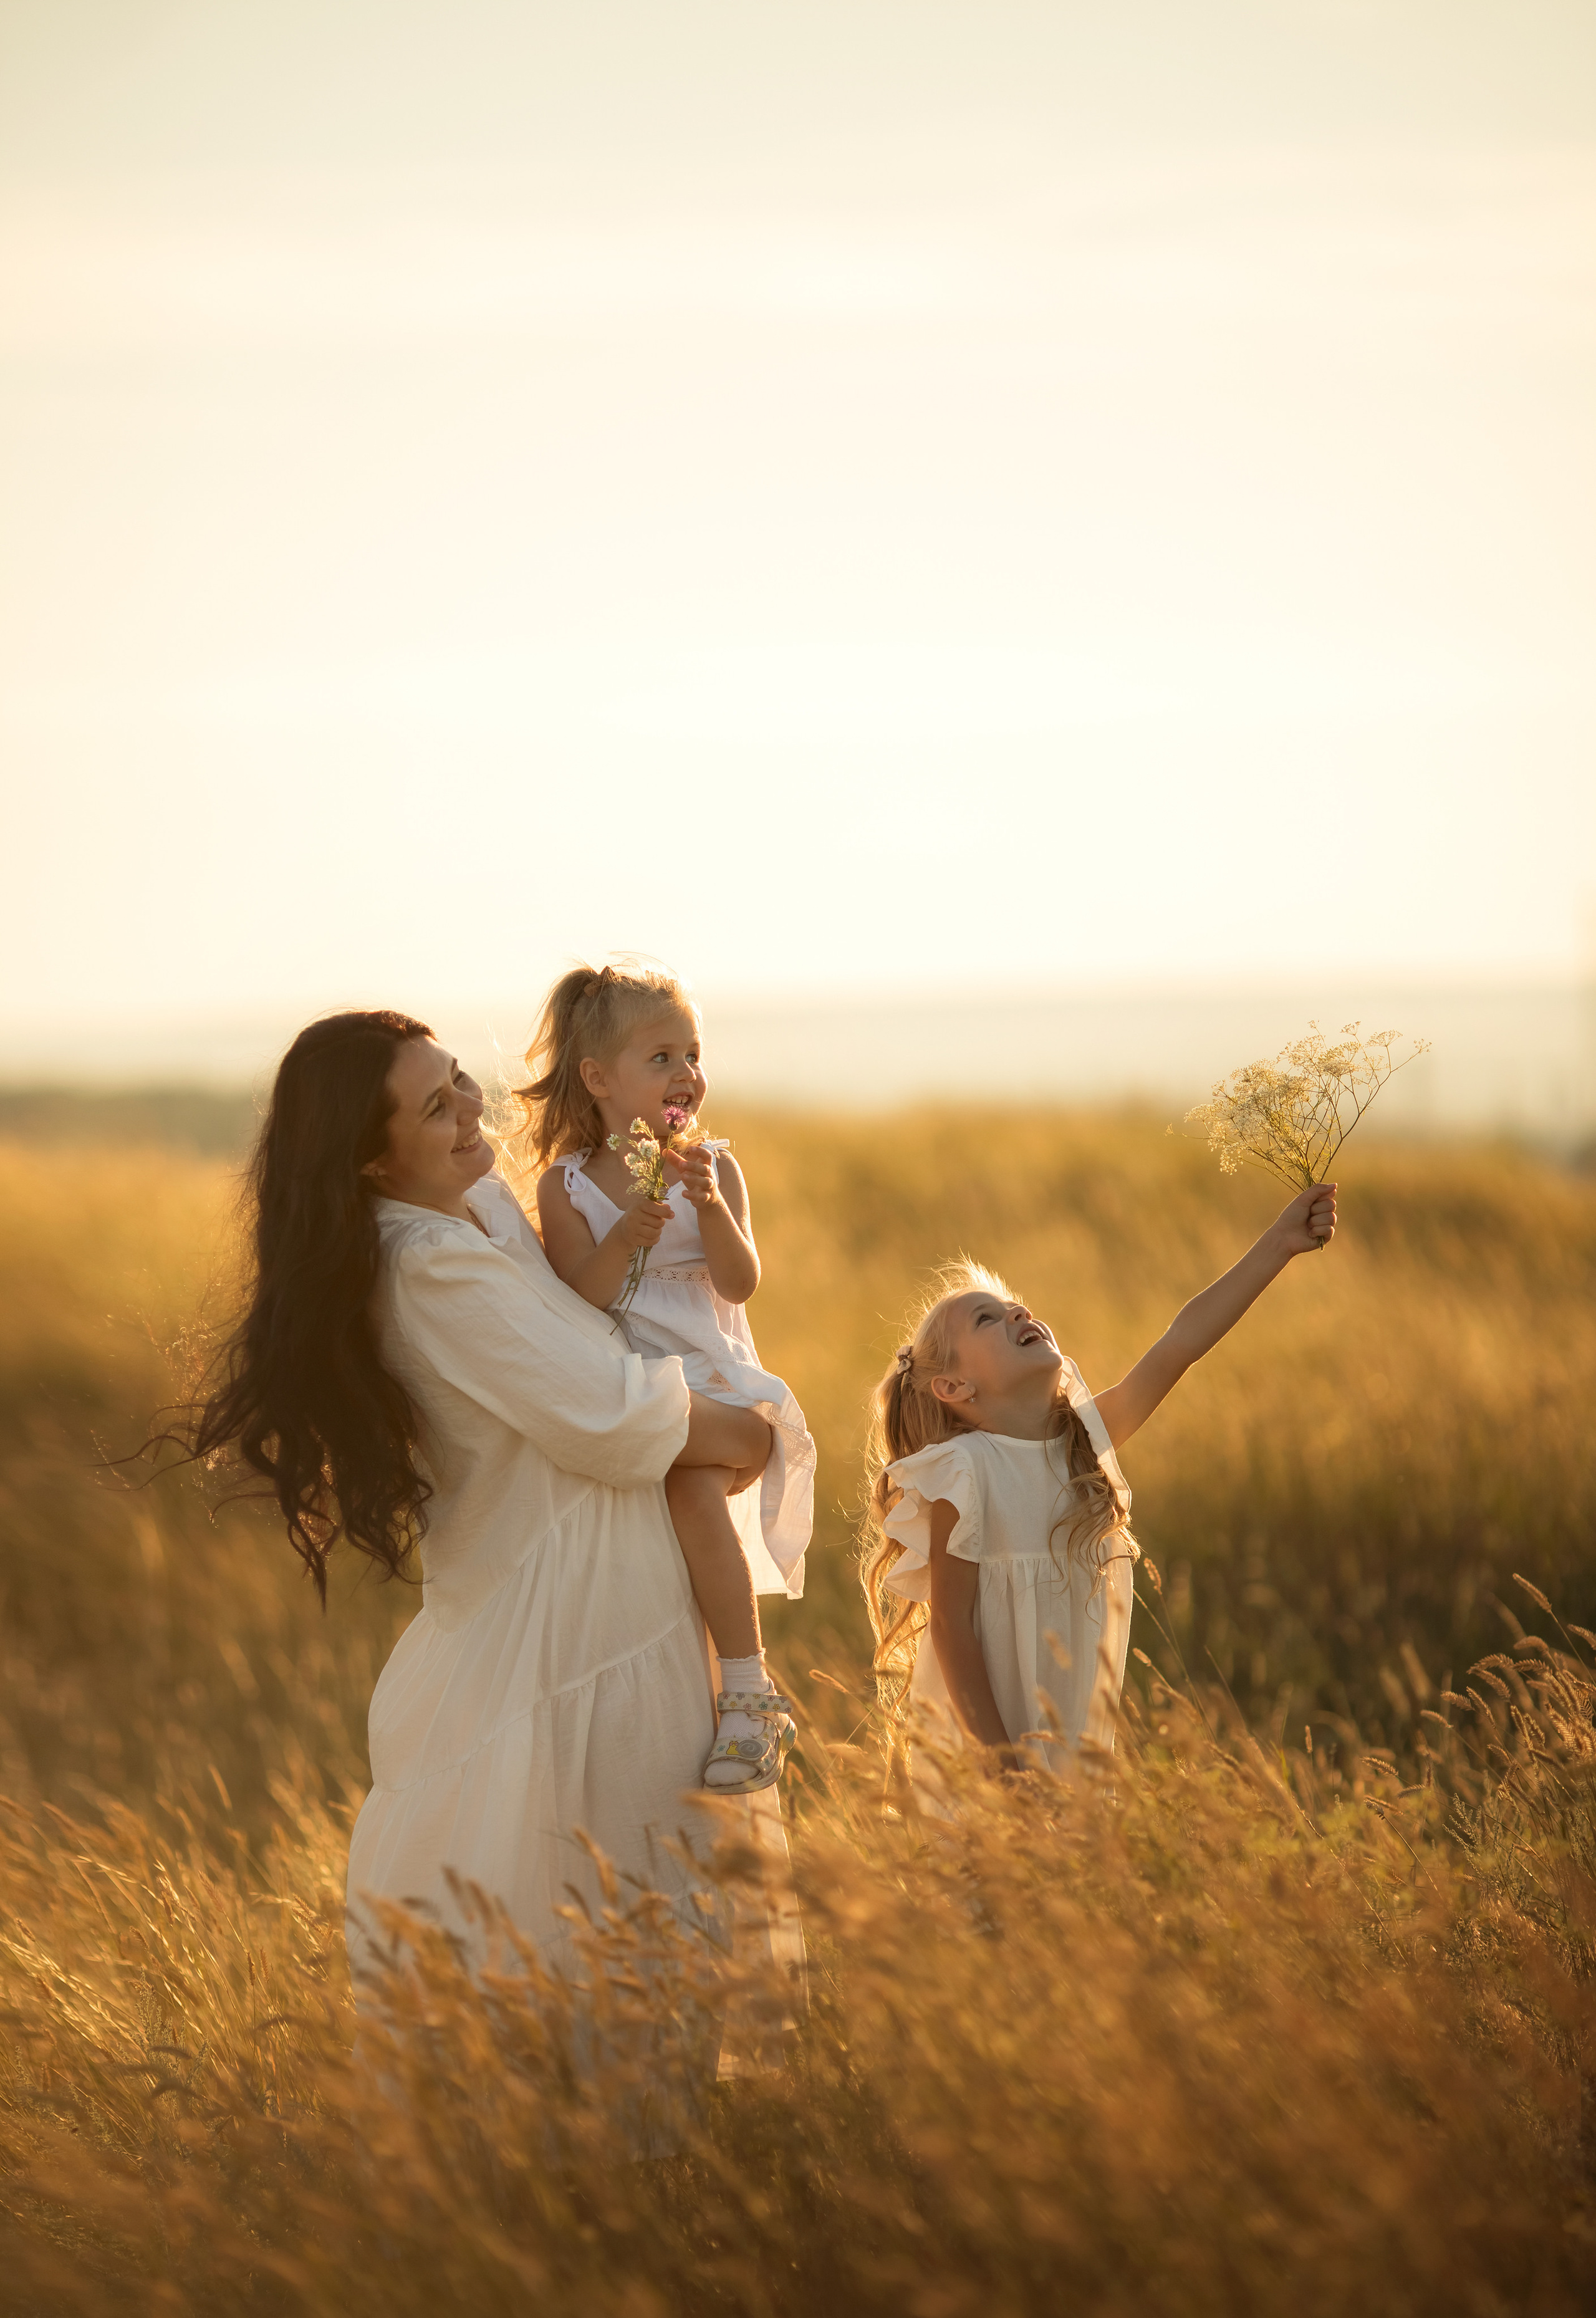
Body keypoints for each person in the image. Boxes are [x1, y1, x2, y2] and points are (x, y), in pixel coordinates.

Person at [183, 1008, 773, 1978]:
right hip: (557, 1627)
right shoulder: (425, 1261)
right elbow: (613, 1414)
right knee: (574, 1939)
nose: (469, 1105)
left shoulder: (483, 1202)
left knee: (648, 1938)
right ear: (372, 1162)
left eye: (458, 1077)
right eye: (433, 1105)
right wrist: (757, 1433)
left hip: (613, 1605)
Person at [860, 1184, 1338, 1777]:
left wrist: (1279, 1244)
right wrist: (1002, 1767)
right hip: (985, 1755)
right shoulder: (965, 1472)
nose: (1019, 1313)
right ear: (955, 1388)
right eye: (988, 1317)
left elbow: (1179, 1345)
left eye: (1018, 1306)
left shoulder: (1081, 1446)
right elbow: (953, 1625)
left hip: (1068, 1744)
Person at [516, 961, 815, 1794]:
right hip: (631, 1385)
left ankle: (751, 1691)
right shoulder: (568, 1183)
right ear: (599, 1079)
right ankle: (665, 1714)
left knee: (689, 1498)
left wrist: (707, 1205)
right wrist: (626, 1237)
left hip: (717, 1389)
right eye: (661, 1058)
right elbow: (579, 1296)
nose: (687, 1073)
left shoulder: (714, 1165)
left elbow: (741, 1281)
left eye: (693, 1053)